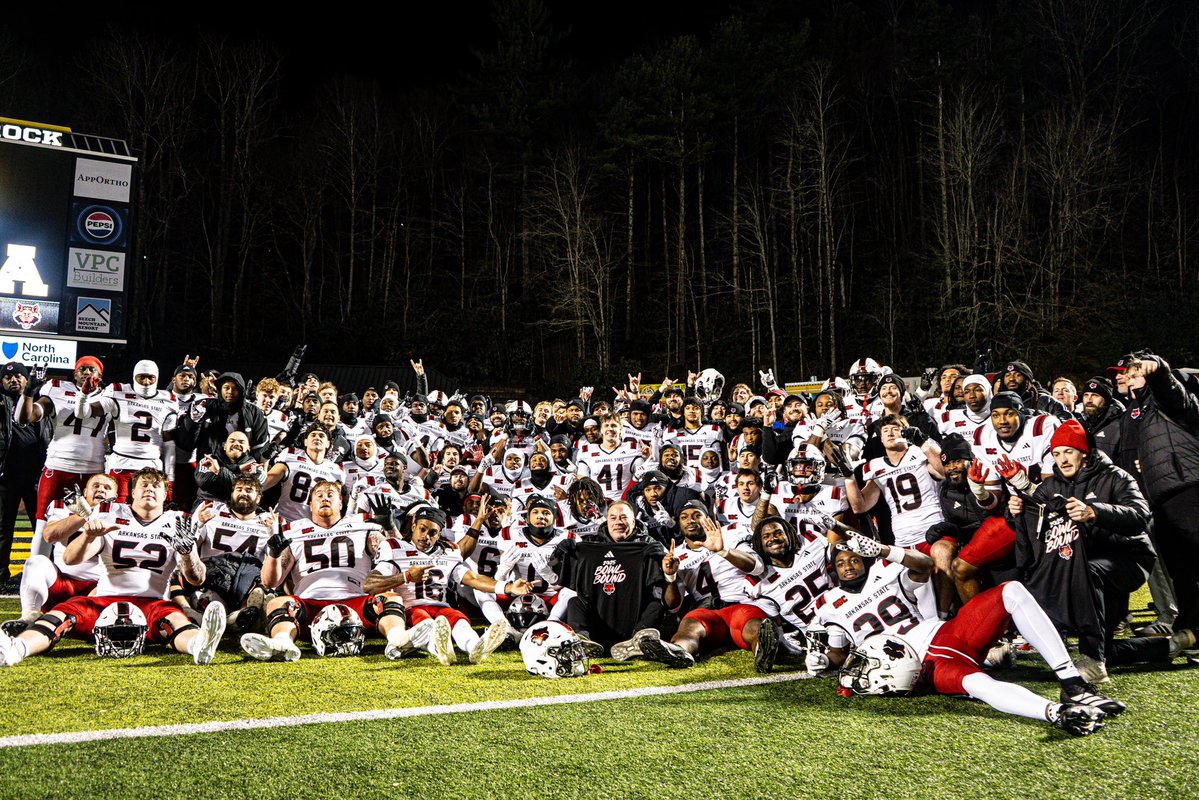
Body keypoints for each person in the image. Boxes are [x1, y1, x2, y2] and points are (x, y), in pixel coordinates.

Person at [1012, 418, 1194, 683]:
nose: (1062, 460)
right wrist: (1015, 513)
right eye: (1056, 454)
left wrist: (1095, 512)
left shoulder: (1115, 476)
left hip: (1128, 558)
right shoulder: (1051, 487)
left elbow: (1140, 516)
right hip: (1084, 562)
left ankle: (1093, 663)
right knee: (1105, 645)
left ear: (1084, 453)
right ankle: (1169, 645)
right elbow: (1035, 522)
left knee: (1087, 573)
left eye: (1068, 452)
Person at [0, 468, 226, 667]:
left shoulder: (179, 521)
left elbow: (196, 578)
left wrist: (187, 552)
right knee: (58, 614)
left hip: (152, 602)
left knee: (176, 620)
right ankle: (17, 649)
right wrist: (88, 536)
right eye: (143, 485)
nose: (149, 489)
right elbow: (70, 559)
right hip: (104, 599)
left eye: (156, 485)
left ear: (165, 494)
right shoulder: (110, 513)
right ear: (133, 493)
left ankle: (199, 646)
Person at [238, 479, 415, 662]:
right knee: (277, 602)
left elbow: (400, 557)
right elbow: (270, 582)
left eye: (331, 495)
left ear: (341, 502)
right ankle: (282, 644)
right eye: (319, 495)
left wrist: (390, 528)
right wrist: (274, 554)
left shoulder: (362, 525)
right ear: (310, 504)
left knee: (391, 598)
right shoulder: (292, 531)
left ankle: (397, 639)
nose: (325, 499)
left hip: (357, 602)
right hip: (310, 605)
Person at [365, 505, 531, 665]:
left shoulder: (449, 551)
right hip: (411, 608)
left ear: (439, 535)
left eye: (433, 533)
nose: (426, 536)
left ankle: (475, 648)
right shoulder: (394, 547)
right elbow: (370, 585)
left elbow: (473, 578)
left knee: (459, 621)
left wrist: (508, 587)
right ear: (414, 526)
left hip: (441, 605)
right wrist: (406, 576)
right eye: (422, 529)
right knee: (427, 625)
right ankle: (440, 649)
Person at [636, 500, 771, 669]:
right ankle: (679, 652)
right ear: (679, 523)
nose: (690, 520)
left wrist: (723, 551)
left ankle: (763, 651)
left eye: (696, 515)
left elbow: (757, 567)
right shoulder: (677, 553)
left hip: (740, 603)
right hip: (708, 612)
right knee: (689, 627)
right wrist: (670, 576)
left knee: (755, 626)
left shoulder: (729, 534)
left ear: (709, 519)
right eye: (684, 517)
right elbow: (673, 606)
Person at [19, 356, 111, 558]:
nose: (87, 373)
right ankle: (36, 573)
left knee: (89, 525)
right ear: (75, 373)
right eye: (83, 369)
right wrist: (28, 394)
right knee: (44, 524)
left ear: (100, 375)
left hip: (92, 471)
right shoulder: (57, 388)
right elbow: (25, 418)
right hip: (58, 466)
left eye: (92, 370)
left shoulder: (110, 395)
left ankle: (79, 576)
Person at [6, 473, 116, 632]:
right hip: (63, 585)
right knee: (36, 562)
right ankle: (29, 618)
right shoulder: (65, 506)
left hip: (98, 589)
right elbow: (50, 536)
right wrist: (84, 514)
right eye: (96, 486)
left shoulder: (121, 513)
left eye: (107, 488)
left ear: (115, 496)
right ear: (85, 492)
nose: (101, 490)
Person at [0, 362, 50, 587]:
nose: (14, 380)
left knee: (41, 528)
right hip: (5, 476)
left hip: (35, 476)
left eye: (20, 376)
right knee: (2, 529)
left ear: (27, 380)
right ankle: (1, 575)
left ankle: (46, 575)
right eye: (8, 377)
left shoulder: (41, 402)